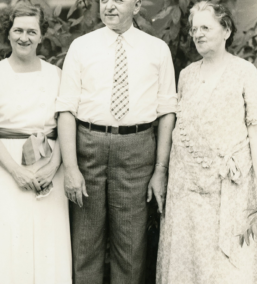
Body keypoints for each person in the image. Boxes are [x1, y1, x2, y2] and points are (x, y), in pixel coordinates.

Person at [56, 0, 177, 283]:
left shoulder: (156, 49)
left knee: (131, 245)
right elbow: (65, 109)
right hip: (88, 146)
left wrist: (160, 169)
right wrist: (71, 168)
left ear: (136, 6)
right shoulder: (81, 47)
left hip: (137, 150)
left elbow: (168, 111)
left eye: (119, 0)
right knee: (85, 243)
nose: (109, 6)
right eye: (104, 0)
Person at [156, 1, 257, 284]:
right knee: (188, 261)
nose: (197, 34)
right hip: (185, 191)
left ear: (226, 30)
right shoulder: (185, 76)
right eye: (194, 29)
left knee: (226, 269)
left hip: (228, 192)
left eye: (205, 27)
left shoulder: (246, 74)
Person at [0, 3, 71, 284]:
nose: (24, 37)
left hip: (48, 167)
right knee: (6, 243)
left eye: (31, 31)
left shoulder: (56, 75)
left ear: (42, 36)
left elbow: (66, 125)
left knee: (47, 244)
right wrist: (16, 171)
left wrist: (53, 166)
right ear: (8, 33)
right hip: (5, 168)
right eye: (18, 30)